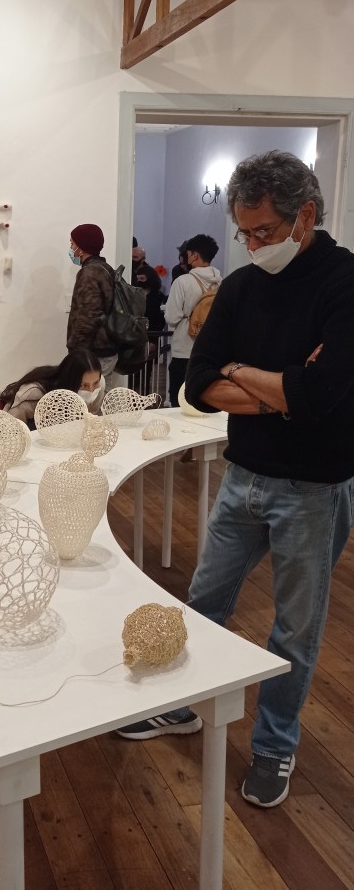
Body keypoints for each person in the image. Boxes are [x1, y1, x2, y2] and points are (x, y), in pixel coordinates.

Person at [116, 150, 354, 810]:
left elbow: (325, 394)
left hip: (315, 487)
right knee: (204, 599)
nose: (251, 245)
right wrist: (282, 388)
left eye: (263, 231)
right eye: (243, 233)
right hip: (243, 474)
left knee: (295, 629)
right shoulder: (245, 285)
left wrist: (242, 372)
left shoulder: (344, 282)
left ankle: (275, 745)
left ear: (305, 216)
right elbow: (197, 385)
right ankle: (182, 704)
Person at [163, 234, 221, 408]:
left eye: (188, 253)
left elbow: (172, 317)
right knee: (203, 400)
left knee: (179, 400)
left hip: (184, 349)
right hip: (210, 350)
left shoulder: (183, 282)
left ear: (194, 255)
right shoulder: (220, 282)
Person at [0, 349, 105, 428]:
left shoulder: (99, 385)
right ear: (70, 380)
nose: (91, 390)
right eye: (83, 385)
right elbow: (10, 427)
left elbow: (88, 420)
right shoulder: (35, 393)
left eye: (95, 383)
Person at [66, 224, 118, 382]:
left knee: (90, 395)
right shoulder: (105, 268)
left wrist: (77, 353)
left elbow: (88, 316)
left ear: (82, 248)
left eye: (72, 244)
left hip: (93, 353)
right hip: (106, 348)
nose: (71, 248)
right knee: (103, 392)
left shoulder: (89, 273)